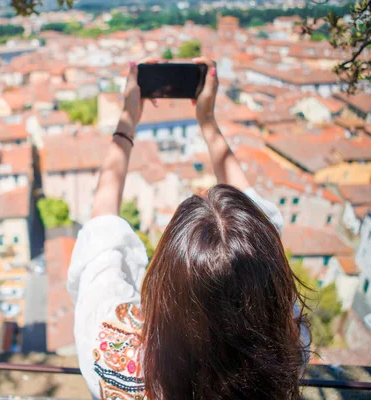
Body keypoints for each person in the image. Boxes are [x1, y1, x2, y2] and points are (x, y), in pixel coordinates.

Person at [67, 57, 311, 400]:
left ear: (168, 275)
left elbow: (101, 231)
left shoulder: (116, 355)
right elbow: (263, 229)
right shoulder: (285, 349)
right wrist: (208, 121)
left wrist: (127, 121)